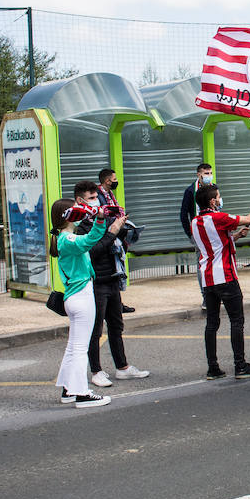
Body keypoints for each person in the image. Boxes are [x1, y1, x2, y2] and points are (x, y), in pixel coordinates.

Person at [74, 181, 150, 387]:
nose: (95, 201)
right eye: (91, 198)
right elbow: (93, 251)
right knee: (95, 329)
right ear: (80, 201)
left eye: (96, 196)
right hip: (95, 283)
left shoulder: (105, 220)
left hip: (113, 279)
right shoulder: (81, 227)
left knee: (116, 326)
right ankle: (96, 371)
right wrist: (112, 232)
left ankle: (122, 367)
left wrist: (123, 227)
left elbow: (115, 241)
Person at [50, 196, 124, 408]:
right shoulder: (68, 239)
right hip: (81, 297)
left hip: (74, 297)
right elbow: (89, 241)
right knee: (80, 348)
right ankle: (82, 394)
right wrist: (100, 221)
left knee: (74, 346)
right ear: (67, 215)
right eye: (75, 210)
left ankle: (68, 389)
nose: (80, 213)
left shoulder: (63, 238)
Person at [190, 183, 250, 380]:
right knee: (236, 320)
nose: (220, 199)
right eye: (218, 196)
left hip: (208, 279)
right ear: (212, 201)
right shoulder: (219, 217)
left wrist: (235, 236)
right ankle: (240, 365)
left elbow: (214, 244)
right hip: (226, 276)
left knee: (212, 323)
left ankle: (213, 368)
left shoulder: (195, 222)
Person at [96, 168, 136, 314]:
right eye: (114, 179)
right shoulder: (99, 196)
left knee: (118, 268)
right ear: (107, 181)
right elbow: (104, 216)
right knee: (114, 269)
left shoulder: (109, 194)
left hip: (116, 234)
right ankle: (115, 304)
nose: (116, 181)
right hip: (108, 237)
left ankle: (117, 302)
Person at [181, 163, 214, 311]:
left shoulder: (214, 188)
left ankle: (215, 295)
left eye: (210, 173)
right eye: (206, 173)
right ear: (198, 175)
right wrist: (191, 235)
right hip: (199, 234)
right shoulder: (190, 191)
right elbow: (183, 215)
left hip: (213, 232)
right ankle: (206, 297)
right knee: (202, 265)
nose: (209, 176)